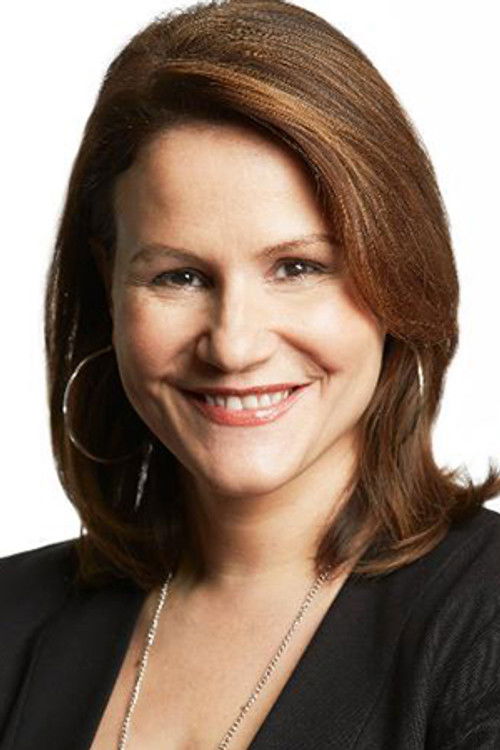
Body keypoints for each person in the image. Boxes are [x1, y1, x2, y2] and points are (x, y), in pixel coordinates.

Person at [1, 0, 499, 748]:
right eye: (178, 276)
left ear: (398, 272)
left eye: (297, 267)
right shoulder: (10, 618)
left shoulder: (485, 625)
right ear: (109, 284)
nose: (233, 346)